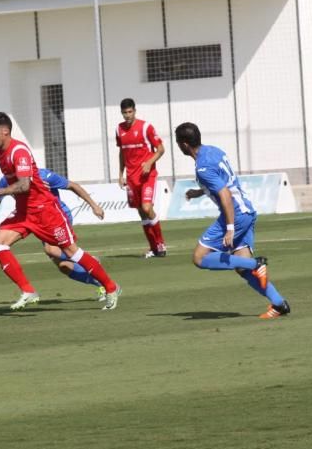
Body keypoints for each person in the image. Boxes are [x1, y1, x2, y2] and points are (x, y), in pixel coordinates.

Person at [0, 112, 121, 311]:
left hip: (45, 212)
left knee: (70, 253)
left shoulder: (19, 152)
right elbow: (7, 192)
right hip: (24, 212)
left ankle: (111, 287)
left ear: (5, 131)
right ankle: (28, 291)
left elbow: (24, 185)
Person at [174, 122, 290, 319]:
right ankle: (279, 304)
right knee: (241, 267)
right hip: (247, 211)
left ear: (184, 145)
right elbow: (222, 182)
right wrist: (198, 192)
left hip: (235, 215)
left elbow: (225, 194)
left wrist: (229, 228)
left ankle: (257, 264)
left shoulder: (202, 167)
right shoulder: (214, 151)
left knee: (199, 258)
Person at [0, 166, 106, 297]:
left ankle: (88, 259)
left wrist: (94, 206)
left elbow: (73, 186)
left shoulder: (43, 175)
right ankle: (101, 284)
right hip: (33, 219)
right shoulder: (6, 180)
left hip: (56, 215)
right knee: (64, 266)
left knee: (51, 250)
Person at [116, 98, 168, 257]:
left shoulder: (146, 127)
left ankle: (161, 244)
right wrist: (120, 174)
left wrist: (149, 162)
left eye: (130, 112)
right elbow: (122, 153)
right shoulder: (119, 129)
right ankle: (153, 248)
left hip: (147, 176)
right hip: (131, 178)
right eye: (124, 113)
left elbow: (160, 149)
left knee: (147, 208)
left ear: (135, 110)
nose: (127, 115)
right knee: (141, 213)